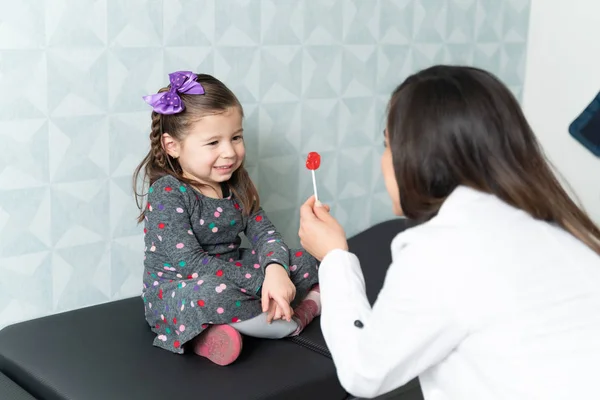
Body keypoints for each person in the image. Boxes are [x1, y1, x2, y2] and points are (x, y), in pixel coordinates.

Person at [298, 65, 600, 399]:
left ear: (419, 156)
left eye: (387, 144)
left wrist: (334, 259)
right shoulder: (561, 232)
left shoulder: (443, 252)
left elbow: (363, 372)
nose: (385, 160)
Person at [133, 71, 321, 366]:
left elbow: (265, 233)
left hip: (233, 272)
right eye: (213, 143)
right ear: (172, 146)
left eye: (236, 137)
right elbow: (191, 264)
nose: (230, 152)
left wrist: (275, 269)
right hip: (180, 289)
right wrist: (262, 284)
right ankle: (295, 320)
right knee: (213, 294)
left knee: (306, 260)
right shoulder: (168, 193)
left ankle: (217, 332)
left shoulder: (237, 181)